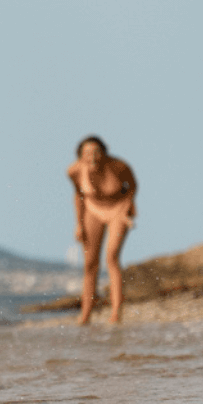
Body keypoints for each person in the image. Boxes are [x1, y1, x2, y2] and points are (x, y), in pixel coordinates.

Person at [66, 135, 137, 324]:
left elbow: (132, 186)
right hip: (93, 209)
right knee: (90, 263)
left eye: (97, 152)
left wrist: (128, 208)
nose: (92, 156)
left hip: (118, 208)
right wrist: (79, 224)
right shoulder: (74, 171)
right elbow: (78, 196)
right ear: (80, 156)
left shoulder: (119, 166)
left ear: (104, 154)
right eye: (87, 153)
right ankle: (85, 315)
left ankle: (115, 313)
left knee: (111, 257)